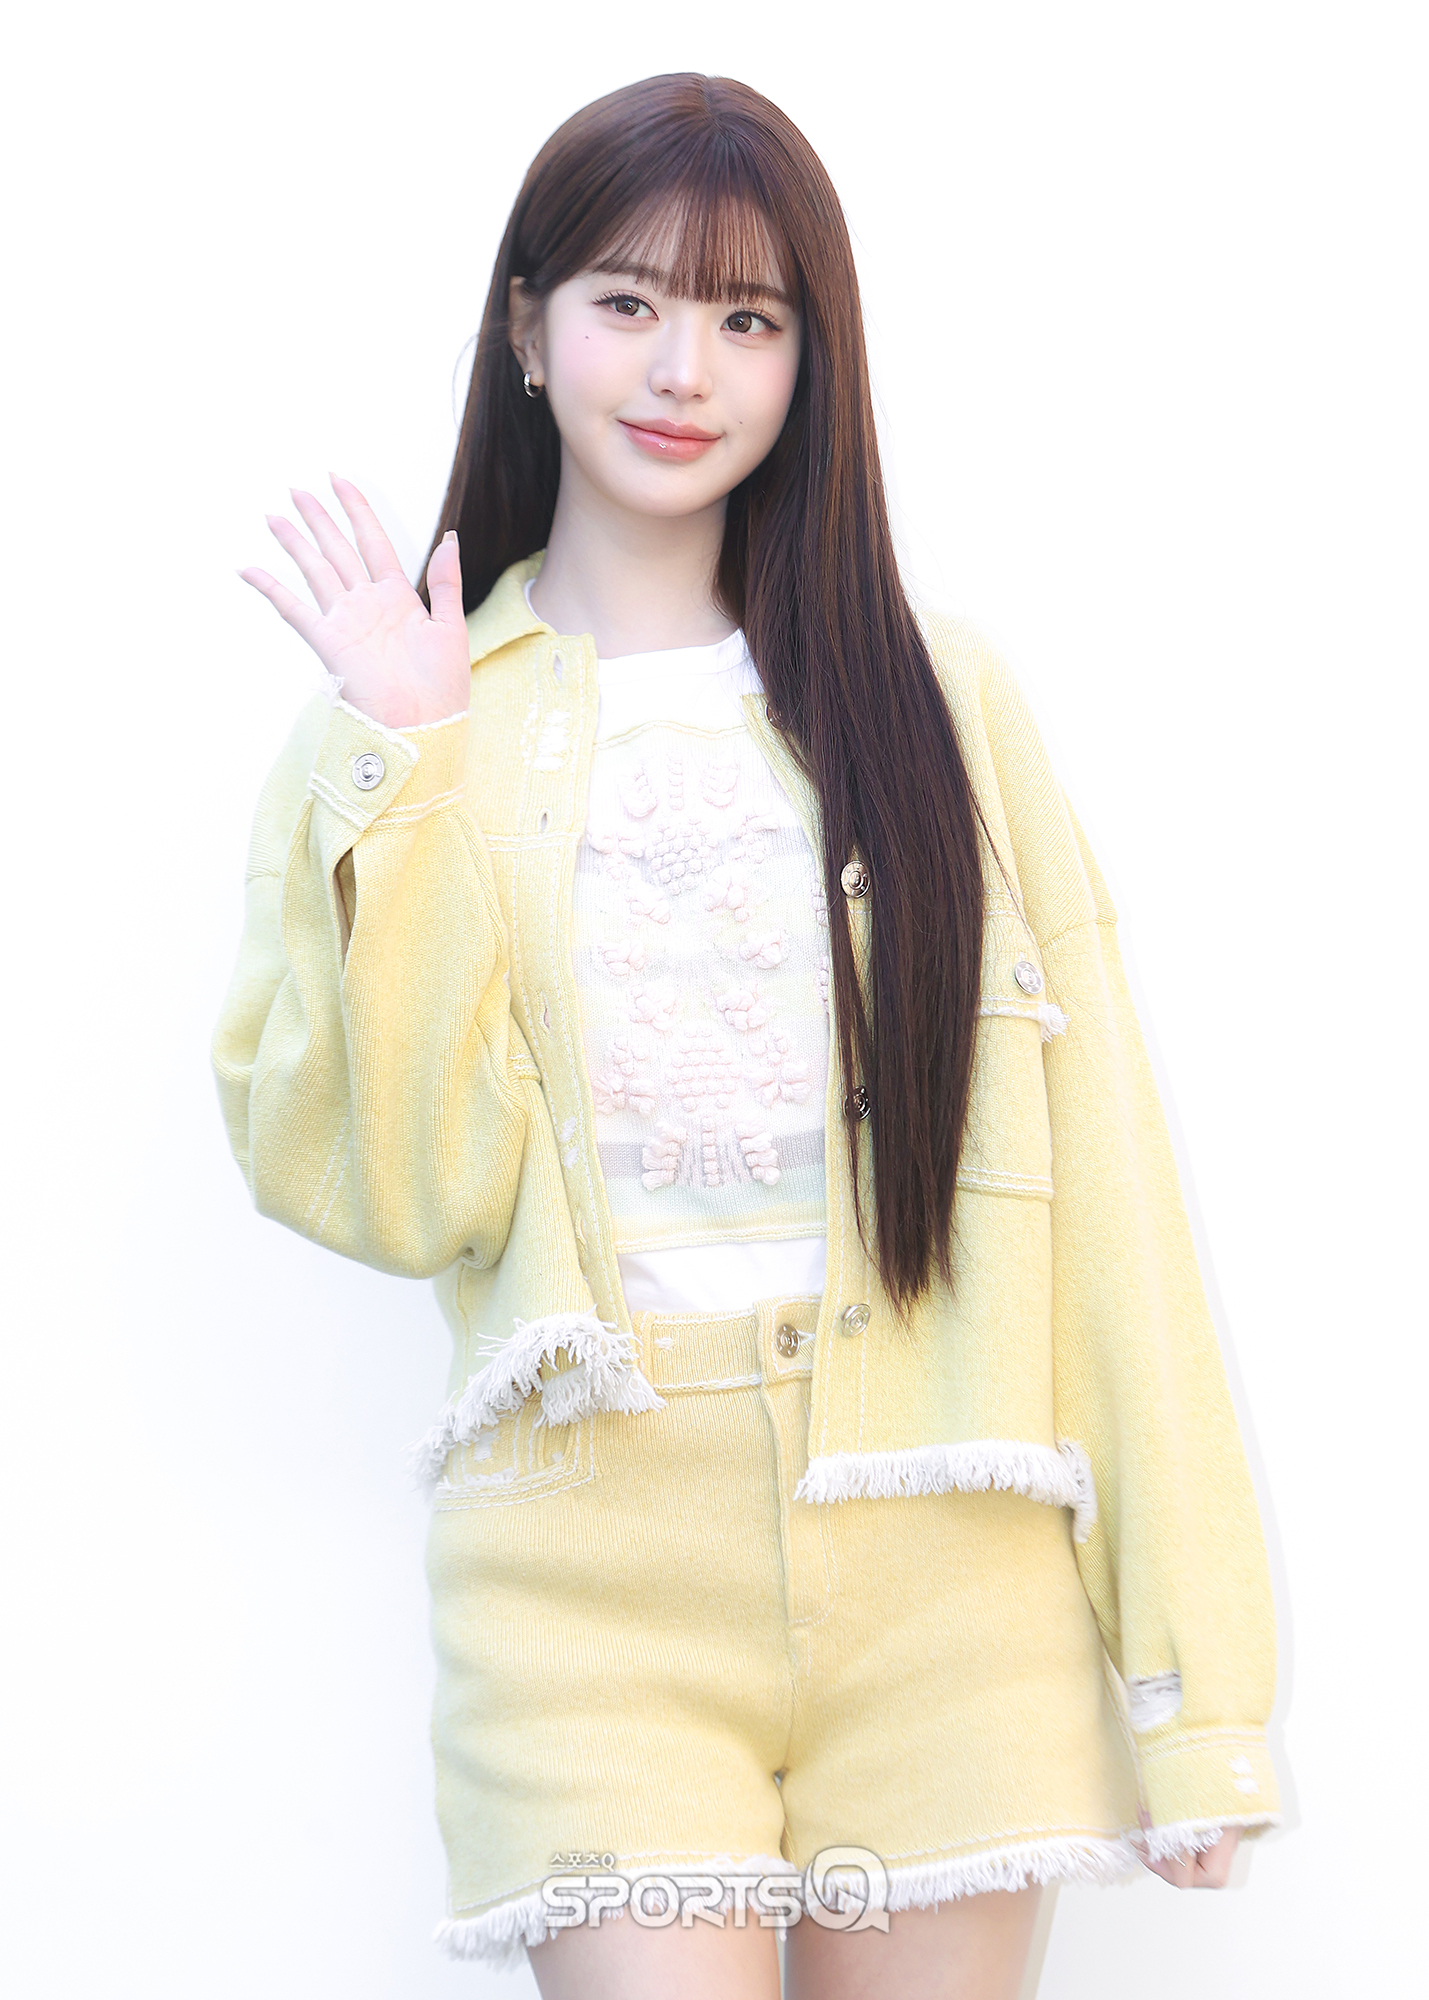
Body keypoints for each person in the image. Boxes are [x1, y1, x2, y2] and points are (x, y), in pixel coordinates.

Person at [214, 72, 1283, 2000]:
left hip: (950, 1563)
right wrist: (407, 763)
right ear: (525, 327)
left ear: (809, 359)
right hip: (590, 1591)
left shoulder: (937, 694)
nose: (680, 368)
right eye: (626, 301)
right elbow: (400, 1194)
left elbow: (1111, 1179)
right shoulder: (407, 720)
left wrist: (1197, 1688)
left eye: (745, 316)